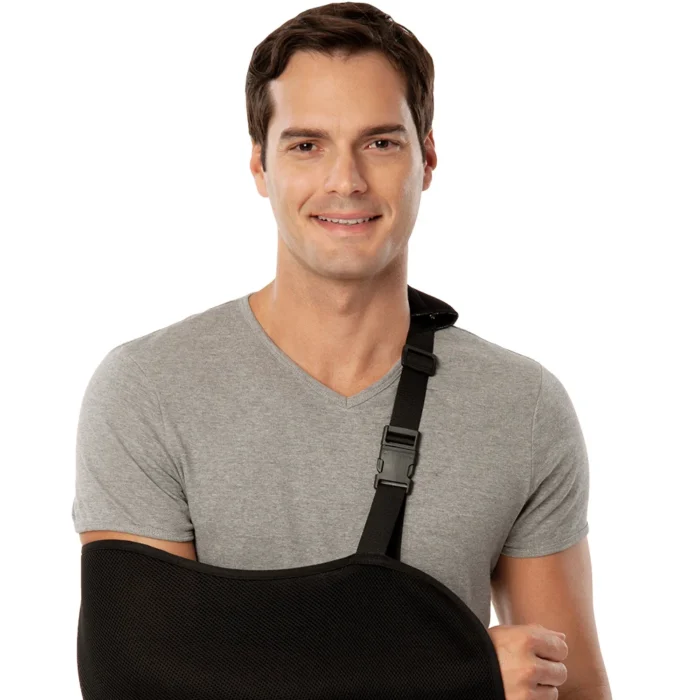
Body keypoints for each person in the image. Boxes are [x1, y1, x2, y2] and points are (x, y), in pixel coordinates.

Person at [72, 3, 611, 697]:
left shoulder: (520, 406)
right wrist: (453, 676)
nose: (345, 181)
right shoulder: (150, 389)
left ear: (428, 159)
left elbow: (571, 688)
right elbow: (136, 679)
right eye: (306, 146)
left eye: (380, 143)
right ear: (260, 165)